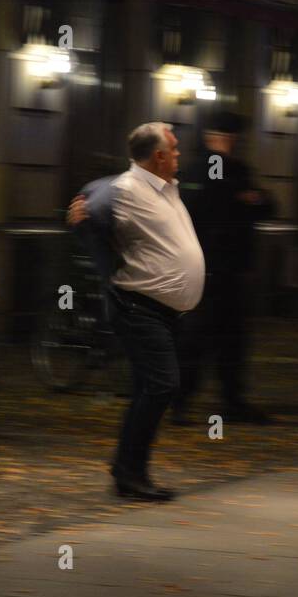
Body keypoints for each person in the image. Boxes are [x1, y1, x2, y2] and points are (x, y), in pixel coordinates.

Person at [103, 122, 204, 501]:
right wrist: (79, 215)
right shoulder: (127, 191)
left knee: (149, 387)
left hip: (165, 311)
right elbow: (96, 211)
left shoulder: (166, 188)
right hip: (138, 306)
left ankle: (125, 468)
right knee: (162, 384)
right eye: (174, 149)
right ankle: (130, 472)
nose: (179, 155)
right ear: (159, 156)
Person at [174, 111, 275, 425]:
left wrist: (250, 199)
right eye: (225, 137)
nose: (230, 143)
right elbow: (218, 202)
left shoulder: (226, 168)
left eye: (232, 138)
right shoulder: (211, 167)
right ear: (212, 137)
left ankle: (229, 399)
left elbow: (264, 205)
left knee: (231, 338)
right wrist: (243, 199)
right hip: (210, 267)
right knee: (200, 338)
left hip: (227, 267)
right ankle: (183, 400)